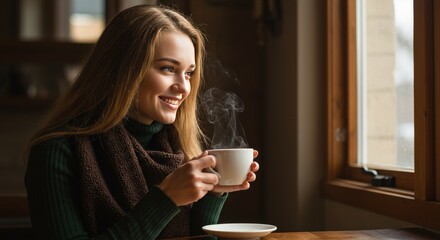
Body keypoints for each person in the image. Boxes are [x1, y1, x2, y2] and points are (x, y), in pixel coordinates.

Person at [24, 4, 259, 240]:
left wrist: (212, 195)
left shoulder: (178, 148)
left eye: (188, 73)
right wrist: (166, 199)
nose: (184, 87)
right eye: (168, 68)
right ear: (123, 70)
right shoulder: (56, 151)